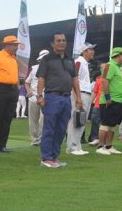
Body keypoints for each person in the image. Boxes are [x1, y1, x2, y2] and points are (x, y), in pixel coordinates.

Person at [36, 33, 81, 167]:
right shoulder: (47, 59)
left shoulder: (70, 59)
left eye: (64, 40)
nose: (62, 42)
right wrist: (39, 95)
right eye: (59, 40)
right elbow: (41, 78)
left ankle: (54, 157)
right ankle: (46, 158)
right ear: (52, 43)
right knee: (49, 128)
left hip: (66, 97)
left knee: (61, 129)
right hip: (52, 97)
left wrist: (78, 97)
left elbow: (74, 79)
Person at [95, 47, 122, 155]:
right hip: (110, 100)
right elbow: (104, 80)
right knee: (106, 123)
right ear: (119, 56)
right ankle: (100, 146)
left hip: (118, 100)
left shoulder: (117, 67)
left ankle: (108, 146)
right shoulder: (110, 65)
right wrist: (108, 97)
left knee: (112, 124)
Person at [67, 42, 95, 156]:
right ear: (84, 51)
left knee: (81, 120)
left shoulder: (84, 63)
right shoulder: (78, 62)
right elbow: (74, 79)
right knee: (75, 119)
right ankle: (72, 147)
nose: (93, 52)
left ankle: (77, 145)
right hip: (80, 93)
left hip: (85, 93)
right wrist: (77, 96)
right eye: (90, 50)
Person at [24, 49, 48, 145]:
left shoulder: (51, 69)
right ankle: (35, 140)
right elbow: (27, 82)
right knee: (33, 120)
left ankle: (42, 139)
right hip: (33, 97)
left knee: (43, 119)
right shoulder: (34, 68)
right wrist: (29, 91)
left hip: (46, 97)